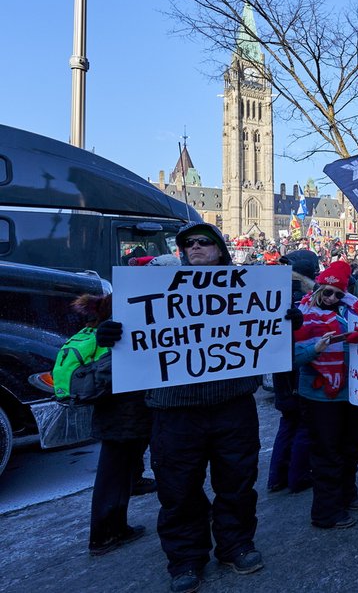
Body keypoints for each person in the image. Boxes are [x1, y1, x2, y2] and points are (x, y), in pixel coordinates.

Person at [101, 222, 292, 593]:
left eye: (204, 243)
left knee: (237, 483)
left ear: (219, 250)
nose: (195, 249)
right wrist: (109, 334)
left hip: (232, 405)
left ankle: (235, 544)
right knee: (178, 489)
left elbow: (270, 333)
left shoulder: (249, 289)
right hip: (175, 412)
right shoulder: (155, 291)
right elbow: (135, 336)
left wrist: (287, 323)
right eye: (187, 244)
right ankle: (186, 558)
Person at [58, 294, 151, 557]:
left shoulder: (109, 310)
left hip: (119, 409)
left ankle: (109, 530)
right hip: (124, 409)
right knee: (116, 472)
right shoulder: (116, 320)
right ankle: (105, 534)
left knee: (119, 470)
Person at [294, 260, 358, 529]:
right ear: (319, 288)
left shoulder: (353, 306)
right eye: (328, 292)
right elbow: (290, 357)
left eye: (338, 293)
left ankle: (347, 495)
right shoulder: (301, 312)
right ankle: (326, 512)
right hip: (319, 397)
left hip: (353, 393)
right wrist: (315, 351)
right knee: (326, 454)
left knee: (350, 449)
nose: (332, 298)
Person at [267, 249, 318, 493]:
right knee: (303, 425)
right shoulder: (306, 299)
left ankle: (277, 477)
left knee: (287, 423)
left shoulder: (273, 294)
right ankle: (298, 476)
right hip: (297, 372)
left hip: (281, 371)